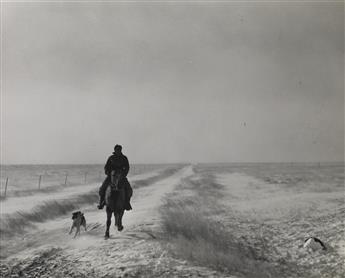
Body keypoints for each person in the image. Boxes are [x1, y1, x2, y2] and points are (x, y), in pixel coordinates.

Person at [98, 145, 133, 210]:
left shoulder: (124, 158)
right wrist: (108, 173)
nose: (118, 151)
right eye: (117, 150)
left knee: (129, 189)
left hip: (121, 177)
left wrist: (124, 174)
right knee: (102, 188)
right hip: (111, 176)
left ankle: (127, 202)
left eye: (119, 150)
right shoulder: (111, 158)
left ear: (121, 150)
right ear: (114, 150)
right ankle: (101, 202)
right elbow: (106, 167)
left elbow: (127, 167)